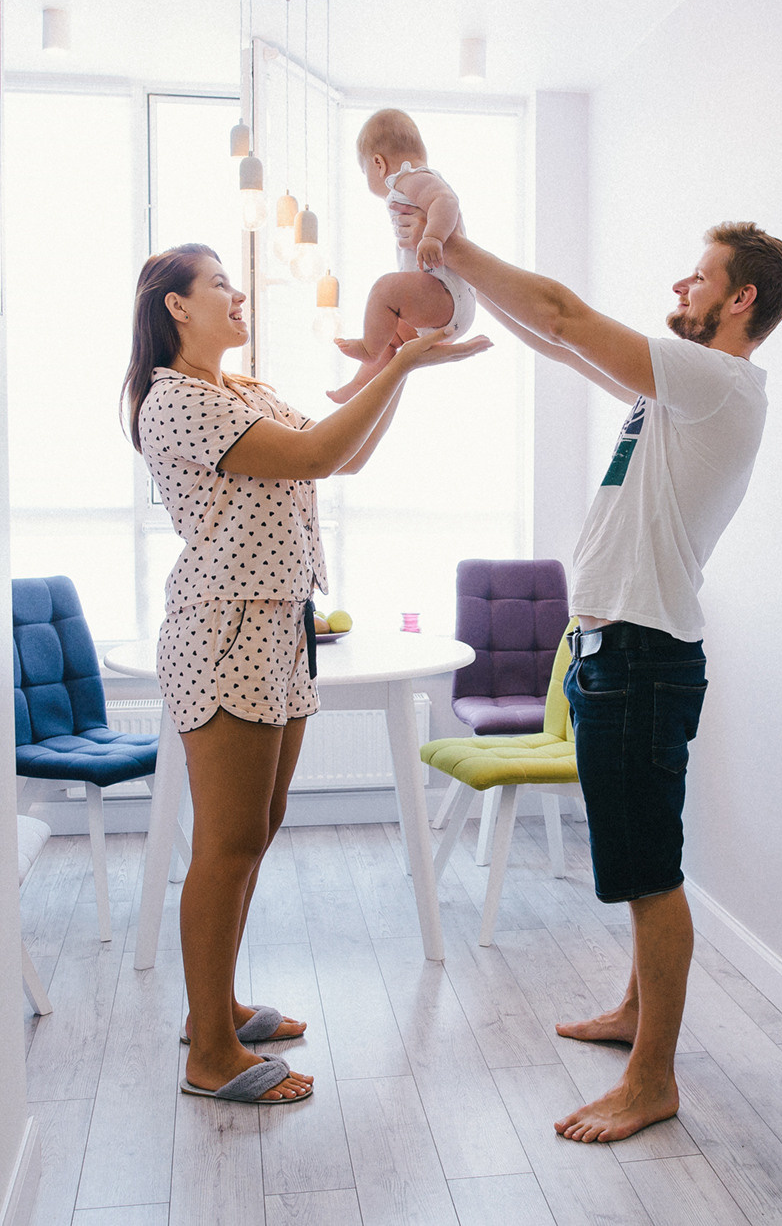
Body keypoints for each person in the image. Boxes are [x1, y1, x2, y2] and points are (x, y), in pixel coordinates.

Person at [401, 209, 782, 1142]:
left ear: (740, 299)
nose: (678, 289)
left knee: (649, 876)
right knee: (635, 860)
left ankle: (652, 1079)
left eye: (697, 278)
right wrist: (463, 307)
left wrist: (453, 248)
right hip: (614, 654)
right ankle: (633, 1016)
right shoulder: (677, 391)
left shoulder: (716, 380)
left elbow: (568, 315)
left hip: (644, 659)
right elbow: (560, 338)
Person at [120, 243, 485, 1104]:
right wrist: (403, 365)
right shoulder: (173, 403)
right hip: (225, 631)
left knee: (260, 823)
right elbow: (318, 452)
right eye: (219, 284)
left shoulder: (241, 390)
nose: (237, 294)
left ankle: (219, 1006)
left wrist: (399, 363)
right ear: (176, 306)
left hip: (279, 627)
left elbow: (341, 450)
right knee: (228, 840)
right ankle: (209, 1050)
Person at [326, 108, 479, 404]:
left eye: (364, 171)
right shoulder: (410, 183)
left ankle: (369, 350)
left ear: (378, 164)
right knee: (390, 334)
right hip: (443, 306)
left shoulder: (410, 177)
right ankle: (358, 385)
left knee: (384, 290)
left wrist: (433, 236)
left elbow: (446, 201)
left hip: (446, 294)